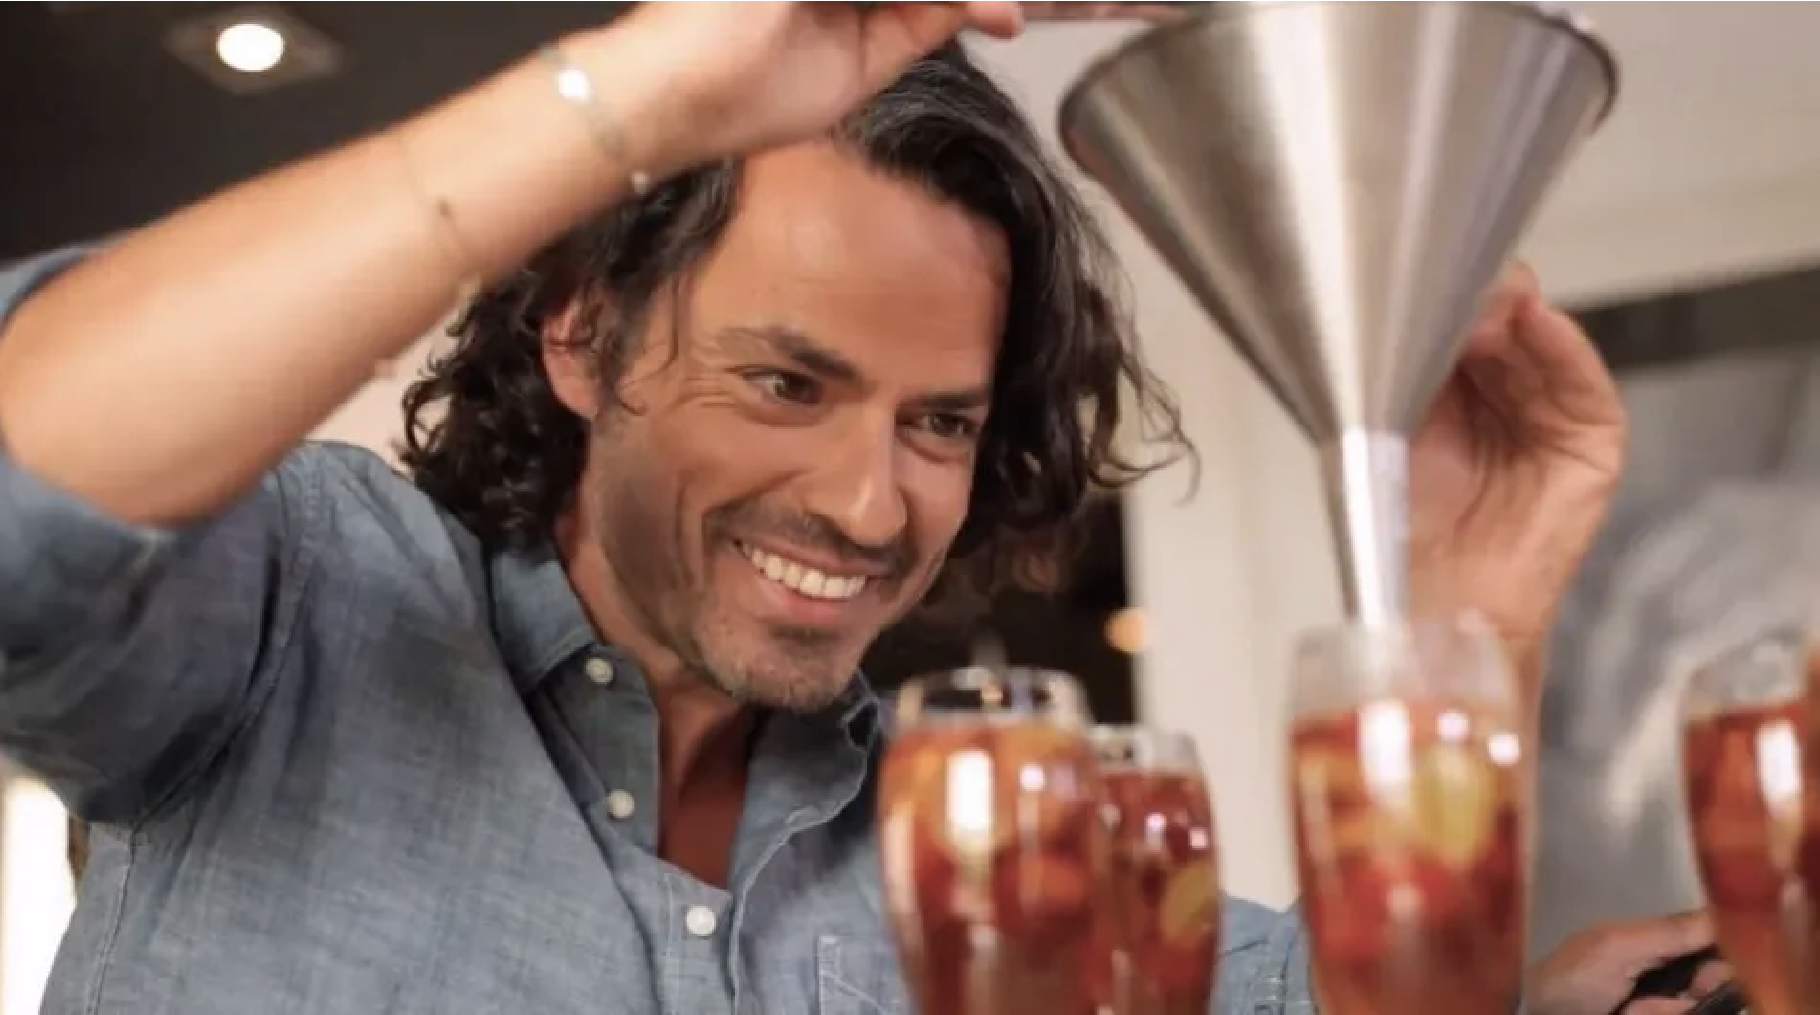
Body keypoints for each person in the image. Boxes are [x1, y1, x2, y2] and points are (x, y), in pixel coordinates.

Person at [0, 4, 1731, 1013]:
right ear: (583, 332)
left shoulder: (1009, 835)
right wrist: (648, 93)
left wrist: (1473, 614)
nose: (865, 498)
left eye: (940, 421)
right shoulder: (308, 597)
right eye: (786, 380)